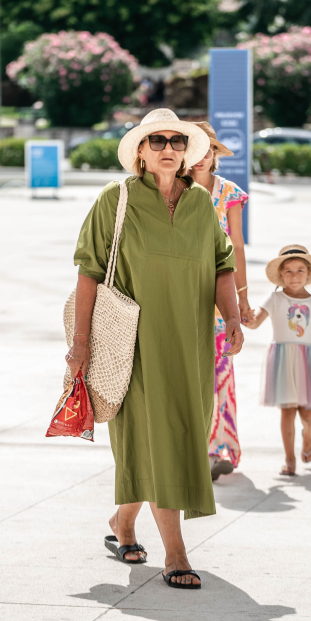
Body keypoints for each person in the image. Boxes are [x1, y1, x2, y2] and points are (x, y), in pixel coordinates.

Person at [67, 108, 242, 590]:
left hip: (190, 345)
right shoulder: (116, 199)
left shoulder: (202, 204)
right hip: (134, 348)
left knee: (176, 439)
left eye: (177, 141)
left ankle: (123, 523)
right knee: (160, 441)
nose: (169, 148)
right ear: (140, 152)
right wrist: (79, 346)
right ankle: (177, 553)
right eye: (158, 140)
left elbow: (222, 264)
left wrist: (231, 317)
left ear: (188, 153)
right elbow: (87, 270)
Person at [188, 121, 251, 481]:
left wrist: (241, 301)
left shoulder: (230, 194)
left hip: (219, 298)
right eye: (194, 150)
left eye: (207, 150)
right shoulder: (174, 190)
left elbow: (237, 247)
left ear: (215, 155)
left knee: (220, 372)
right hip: (183, 295)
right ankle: (193, 448)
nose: (201, 157)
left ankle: (217, 448)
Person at [245, 245, 311, 477]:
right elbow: (256, 322)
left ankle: (308, 437)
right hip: (282, 361)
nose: (294, 276)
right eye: (288, 271)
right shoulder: (275, 298)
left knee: (307, 413)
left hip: (308, 361)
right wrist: (245, 316)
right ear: (280, 275)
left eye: (299, 271)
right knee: (287, 411)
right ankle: (289, 458)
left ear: (308, 273)